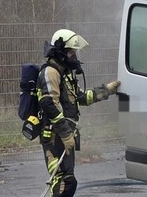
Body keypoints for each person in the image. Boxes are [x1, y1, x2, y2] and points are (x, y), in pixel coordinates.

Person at [36, 29, 121, 197]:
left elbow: (80, 97)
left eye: (74, 52)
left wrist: (107, 91)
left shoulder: (65, 73)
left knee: (67, 181)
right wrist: (66, 134)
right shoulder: (50, 72)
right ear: (59, 51)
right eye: (70, 52)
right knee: (63, 182)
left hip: (64, 135)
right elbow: (48, 104)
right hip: (54, 136)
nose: (73, 56)